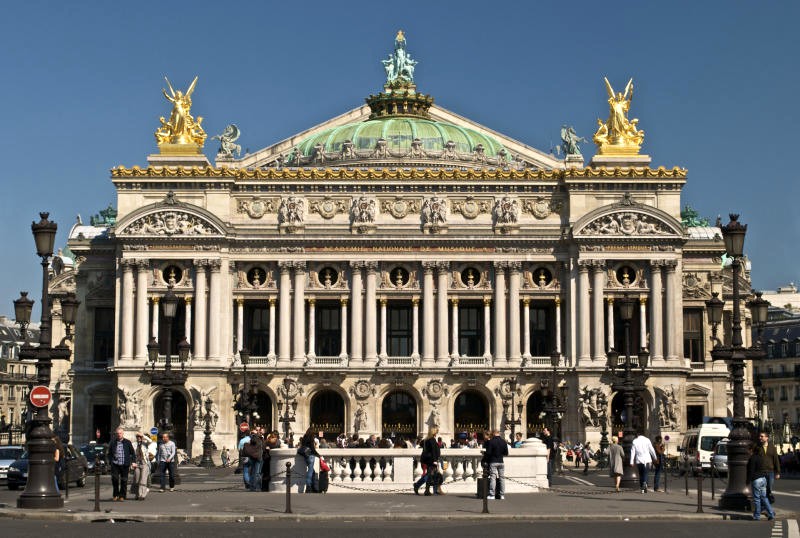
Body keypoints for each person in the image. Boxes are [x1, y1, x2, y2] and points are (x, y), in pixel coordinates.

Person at [748, 444, 776, 521]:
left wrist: (748, 480)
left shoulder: (752, 458)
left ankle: (757, 516)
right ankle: (771, 513)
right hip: (763, 479)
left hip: (756, 479)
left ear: (751, 450)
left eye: (749, 450)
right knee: (764, 497)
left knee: (757, 498)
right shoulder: (761, 458)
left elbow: (751, 470)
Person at [108, 427, 136, 501]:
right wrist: (110, 461)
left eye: (120, 433)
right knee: (115, 479)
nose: (119, 435)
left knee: (124, 480)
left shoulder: (127, 442)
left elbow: (132, 453)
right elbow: (109, 453)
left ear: (123, 434)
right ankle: (115, 494)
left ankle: (122, 495)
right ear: (116, 434)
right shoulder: (113, 442)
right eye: (117, 433)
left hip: (124, 464)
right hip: (115, 464)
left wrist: (133, 462)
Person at [413, 427, 441, 496]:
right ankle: (418, 485)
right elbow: (433, 451)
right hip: (431, 460)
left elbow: (421, 444)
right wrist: (435, 460)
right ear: (434, 432)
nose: (437, 433)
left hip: (428, 459)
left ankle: (428, 490)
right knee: (429, 475)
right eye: (436, 432)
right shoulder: (432, 440)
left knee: (430, 475)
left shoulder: (426, 439)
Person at [754, 431, 781, 500]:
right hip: (760, 472)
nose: (760, 438)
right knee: (760, 490)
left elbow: (776, 460)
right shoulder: (757, 447)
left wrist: (777, 472)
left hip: (770, 472)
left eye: (762, 436)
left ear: (767, 438)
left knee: (769, 489)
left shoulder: (772, 448)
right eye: (760, 436)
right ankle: (764, 506)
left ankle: (766, 504)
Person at [484, 428, 509, 500]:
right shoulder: (503, 442)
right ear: (498, 433)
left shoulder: (491, 441)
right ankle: (502, 495)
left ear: (493, 433)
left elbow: (488, 452)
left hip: (493, 461)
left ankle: (492, 494)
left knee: (493, 477)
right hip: (501, 461)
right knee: (502, 478)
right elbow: (506, 453)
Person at [132, 432, 152, 500]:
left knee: (143, 479)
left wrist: (143, 435)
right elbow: (131, 454)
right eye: (138, 437)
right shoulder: (134, 444)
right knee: (137, 479)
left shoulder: (145, 443)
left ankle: (142, 495)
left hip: (144, 463)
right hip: (137, 463)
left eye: (140, 437)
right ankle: (137, 494)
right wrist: (132, 463)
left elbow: (150, 441)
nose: (139, 438)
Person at [299, 428, 319, 493]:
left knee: (312, 471)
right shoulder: (311, 438)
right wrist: (318, 455)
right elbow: (312, 449)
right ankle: (308, 487)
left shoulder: (304, 437)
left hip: (305, 455)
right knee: (310, 471)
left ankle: (314, 486)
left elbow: (302, 446)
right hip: (311, 456)